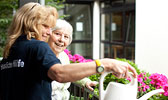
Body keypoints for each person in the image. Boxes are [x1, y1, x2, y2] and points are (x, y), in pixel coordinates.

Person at [0, 2, 137, 100]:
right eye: (45, 26)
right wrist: (105, 64)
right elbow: (59, 73)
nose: (48, 32)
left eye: (51, 28)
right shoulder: (38, 46)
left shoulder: (10, 51)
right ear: (30, 23)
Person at [48, 19, 98, 100]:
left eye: (66, 37)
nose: (62, 40)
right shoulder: (42, 55)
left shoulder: (63, 56)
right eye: (57, 34)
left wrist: (85, 82)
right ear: (48, 34)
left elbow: (68, 73)